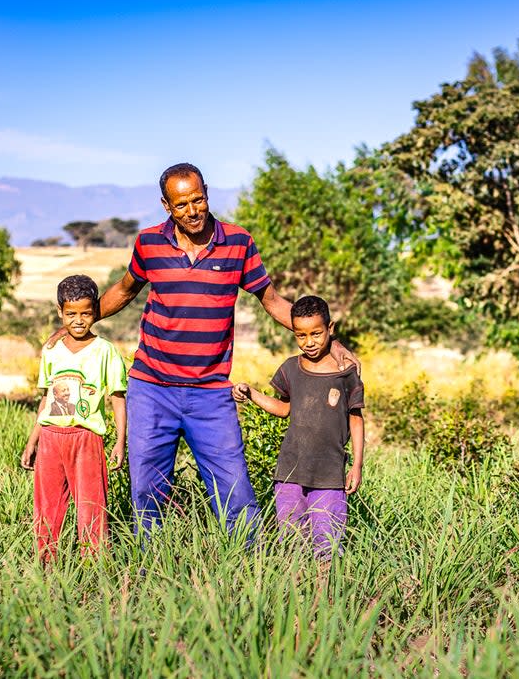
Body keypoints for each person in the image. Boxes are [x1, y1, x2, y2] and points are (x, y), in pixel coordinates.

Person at [78, 163, 356, 538]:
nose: (192, 211)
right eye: (181, 205)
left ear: (206, 192)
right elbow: (125, 290)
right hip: (151, 388)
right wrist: (77, 322)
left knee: (234, 490)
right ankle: (150, 570)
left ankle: (249, 568)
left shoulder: (238, 243)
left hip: (210, 392)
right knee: (148, 489)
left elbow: (271, 300)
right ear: (166, 206)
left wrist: (330, 341)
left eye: (198, 199)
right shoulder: (149, 243)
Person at [233, 296, 364, 558]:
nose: (309, 342)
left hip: (329, 474)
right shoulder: (290, 368)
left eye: (316, 333)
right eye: (301, 335)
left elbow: (356, 419)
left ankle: (325, 591)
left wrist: (357, 465)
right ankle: (296, 590)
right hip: (290, 472)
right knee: (292, 542)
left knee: (328, 542)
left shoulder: (346, 374)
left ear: (331, 328)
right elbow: (283, 409)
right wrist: (251, 393)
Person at [21, 275, 128, 563]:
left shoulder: (105, 351)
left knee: (91, 506)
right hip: (51, 439)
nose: (78, 320)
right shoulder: (52, 351)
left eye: (85, 313)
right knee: (47, 508)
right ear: (60, 312)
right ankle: (45, 566)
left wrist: (119, 442)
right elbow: (47, 399)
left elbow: (117, 398)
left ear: (95, 310)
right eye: (70, 314)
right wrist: (33, 441)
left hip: (87, 439)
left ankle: (95, 568)